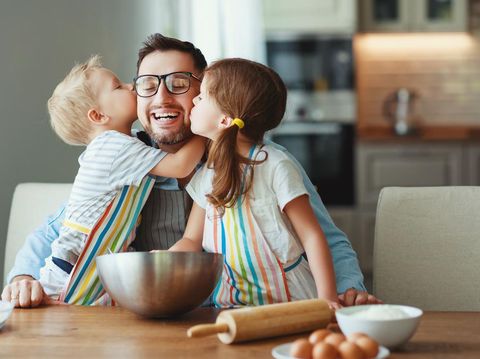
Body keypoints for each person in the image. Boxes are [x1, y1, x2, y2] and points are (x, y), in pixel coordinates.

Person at [2, 34, 381, 308]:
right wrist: (22, 278)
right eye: (148, 85)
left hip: (242, 313)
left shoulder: (266, 163)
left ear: (211, 96)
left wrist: (347, 290)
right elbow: (60, 229)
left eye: (180, 84)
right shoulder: (130, 162)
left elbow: (325, 238)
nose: (163, 97)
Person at [170, 58, 340, 309]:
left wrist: (328, 300)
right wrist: (163, 261)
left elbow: (312, 236)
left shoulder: (275, 165)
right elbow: (191, 240)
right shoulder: (207, 173)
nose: (194, 100)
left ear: (225, 120)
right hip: (231, 306)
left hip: (291, 303)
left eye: (202, 96)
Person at [38, 55, 204, 301]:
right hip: (73, 266)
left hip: (98, 260)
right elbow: (181, 165)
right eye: (118, 86)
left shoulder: (130, 143)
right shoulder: (112, 147)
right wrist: (208, 130)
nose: (130, 86)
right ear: (98, 116)